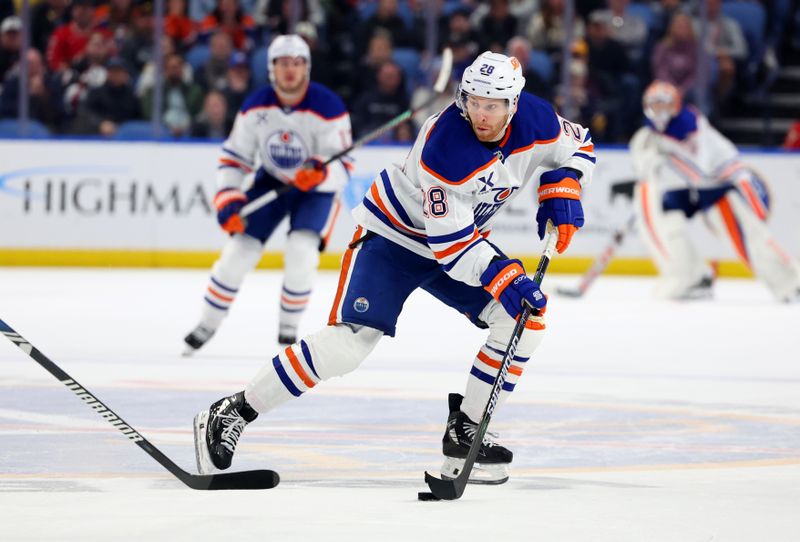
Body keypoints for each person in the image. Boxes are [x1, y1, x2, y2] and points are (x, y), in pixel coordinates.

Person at [192, 51, 596, 484]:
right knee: (349, 346)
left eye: (491, 105)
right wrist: (505, 276)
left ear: (513, 104)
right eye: (473, 100)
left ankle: (466, 432)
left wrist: (566, 183)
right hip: (395, 238)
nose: (480, 113)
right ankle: (232, 410)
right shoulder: (445, 147)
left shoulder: (539, 120)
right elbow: (452, 249)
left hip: (459, 243)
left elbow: (582, 146)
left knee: (522, 321)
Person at [183, 34, 352, 352]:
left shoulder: (328, 107)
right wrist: (229, 196)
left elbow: (343, 165)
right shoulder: (255, 106)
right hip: (273, 180)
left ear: (307, 67)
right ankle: (207, 324)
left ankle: (288, 330)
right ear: (272, 68)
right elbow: (235, 156)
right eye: (283, 63)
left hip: (315, 192)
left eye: (297, 63)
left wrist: (321, 170)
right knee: (238, 250)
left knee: (301, 250)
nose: (290, 70)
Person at [630, 81, 800, 302]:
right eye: (655, 105)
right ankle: (691, 276)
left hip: (721, 186)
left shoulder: (689, 124)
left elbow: (703, 168)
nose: (660, 111)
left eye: (665, 105)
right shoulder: (649, 136)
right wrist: (650, 164)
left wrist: (665, 156)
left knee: (747, 241)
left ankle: (791, 282)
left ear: (676, 105)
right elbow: (648, 170)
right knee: (661, 213)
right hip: (697, 188)